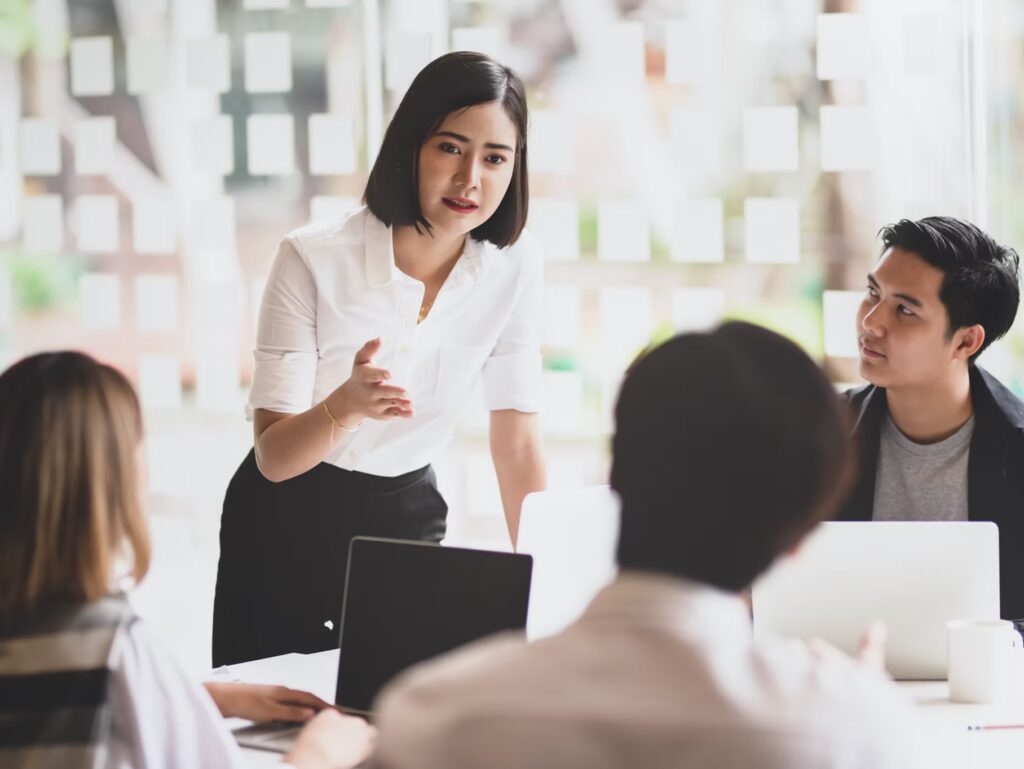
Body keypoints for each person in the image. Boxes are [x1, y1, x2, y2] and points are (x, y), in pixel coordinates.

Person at [368, 322, 918, 769]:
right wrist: (855, 697)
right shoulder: (855, 734)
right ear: (801, 537)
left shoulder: (433, 716)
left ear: (618, 473)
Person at [212, 51, 546, 666]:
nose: (471, 178)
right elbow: (274, 458)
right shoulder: (312, 257)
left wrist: (548, 581)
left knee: (392, 716)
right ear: (411, 146)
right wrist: (344, 407)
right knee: (276, 726)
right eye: (450, 148)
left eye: (495, 157)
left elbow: (517, 445)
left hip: (407, 516)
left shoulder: (514, 269)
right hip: (285, 519)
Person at [0, 351, 374, 769]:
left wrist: (193, 697)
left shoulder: (35, 633)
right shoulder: (113, 646)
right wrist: (320, 754)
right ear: (112, 485)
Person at [837, 216, 1024, 621]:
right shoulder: (822, 436)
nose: (871, 323)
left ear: (966, 340)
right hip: (842, 673)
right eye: (873, 293)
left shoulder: (1018, 448)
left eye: (904, 310)